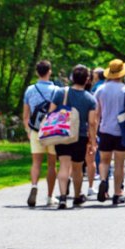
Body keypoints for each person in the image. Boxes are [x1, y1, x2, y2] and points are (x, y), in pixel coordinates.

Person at [47, 64, 98, 209]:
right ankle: (77, 196)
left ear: (72, 78)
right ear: (87, 79)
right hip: (79, 136)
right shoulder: (90, 99)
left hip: (62, 133)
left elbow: (51, 112)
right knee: (77, 168)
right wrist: (93, 141)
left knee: (63, 165)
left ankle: (62, 197)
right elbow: (92, 122)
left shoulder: (61, 93)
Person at [94, 59, 125, 206]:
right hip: (121, 131)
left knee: (104, 161)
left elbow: (96, 112)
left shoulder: (100, 90)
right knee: (119, 164)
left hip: (104, 129)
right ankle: (117, 193)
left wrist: (95, 131)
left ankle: (104, 182)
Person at [22, 59, 58, 207]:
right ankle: (50, 196)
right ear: (49, 71)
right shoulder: (57, 90)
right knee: (51, 165)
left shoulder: (30, 90)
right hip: (52, 132)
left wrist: (28, 130)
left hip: (36, 130)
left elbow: (25, 115)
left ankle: (34, 186)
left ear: (37, 72)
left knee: (36, 163)